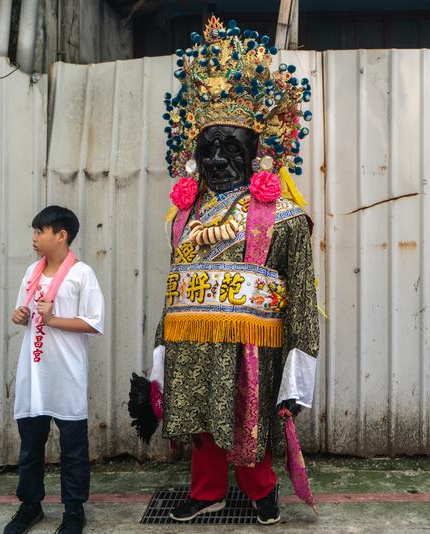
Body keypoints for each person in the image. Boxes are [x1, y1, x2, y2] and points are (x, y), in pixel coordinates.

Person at [150, 16, 319, 525]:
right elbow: (174, 287)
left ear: (258, 153)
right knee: (199, 421)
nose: (218, 159)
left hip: (252, 346)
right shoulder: (183, 218)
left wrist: (300, 365)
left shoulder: (284, 220)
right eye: (208, 148)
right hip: (190, 341)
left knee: (248, 417)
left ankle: (261, 491)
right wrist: (160, 345)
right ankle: (206, 492)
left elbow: (303, 298)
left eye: (231, 148)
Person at [4, 206, 105, 534]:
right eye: (34, 232)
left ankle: (74, 510)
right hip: (34, 373)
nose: (34, 238)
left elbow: (93, 322)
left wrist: (52, 319)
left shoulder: (81, 274)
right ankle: (29, 505)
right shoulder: (32, 272)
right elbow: (25, 312)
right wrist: (21, 317)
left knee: (73, 446)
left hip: (66, 373)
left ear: (61, 235)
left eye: (40, 231)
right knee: (31, 443)